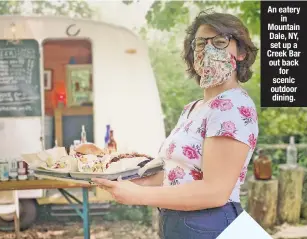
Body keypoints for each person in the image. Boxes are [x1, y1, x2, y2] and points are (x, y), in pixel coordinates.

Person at [92, 11, 259, 239]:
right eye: (201, 44)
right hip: (179, 224)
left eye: (220, 42)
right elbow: (178, 172)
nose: (208, 51)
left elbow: (215, 192)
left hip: (210, 224)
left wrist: (138, 196)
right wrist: (133, 180)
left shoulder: (232, 105)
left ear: (240, 52)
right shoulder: (194, 108)